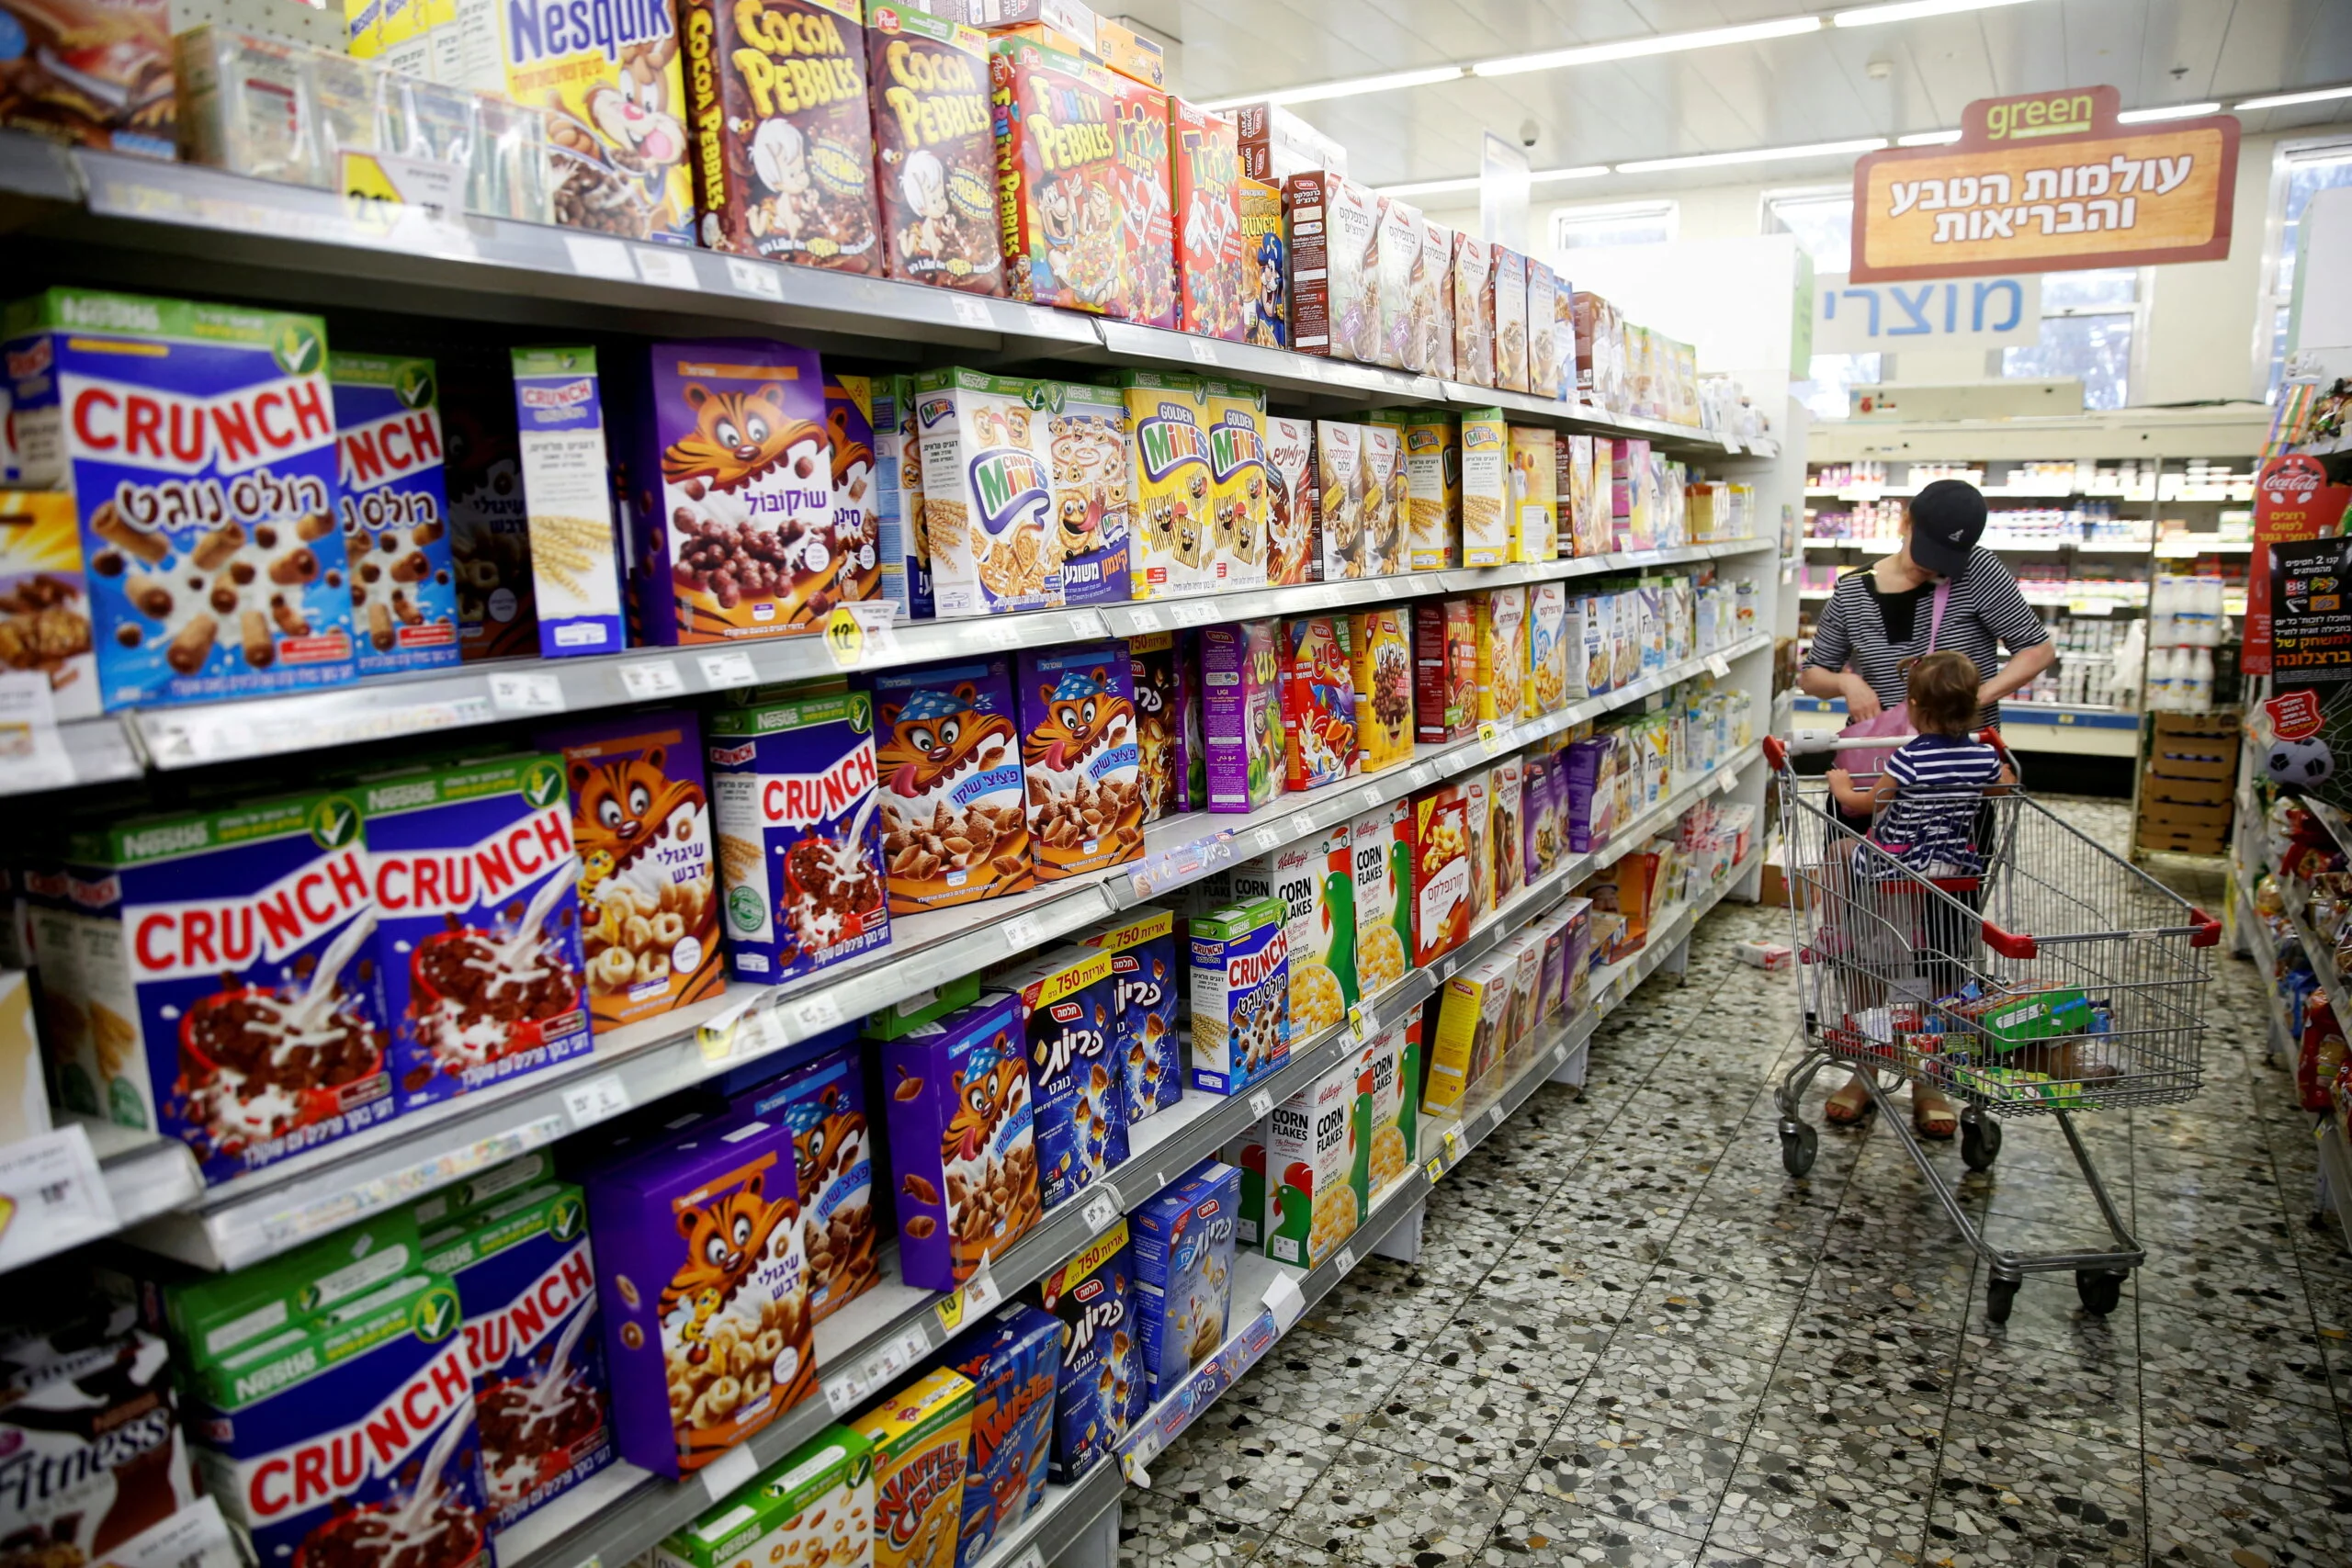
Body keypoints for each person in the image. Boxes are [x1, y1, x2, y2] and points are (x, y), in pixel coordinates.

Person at [1799, 479, 2053, 1137]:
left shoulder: (1979, 569)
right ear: (1905, 521)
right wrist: (1848, 680)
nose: (1945, 563)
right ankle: (1863, 1063)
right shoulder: (1855, 591)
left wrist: (1970, 702)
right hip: (1869, 778)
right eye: (1935, 546)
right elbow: (1813, 672)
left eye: (1955, 553)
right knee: (1864, 933)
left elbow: (2038, 647)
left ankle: (1929, 1075)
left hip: (1955, 782)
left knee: (1943, 930)